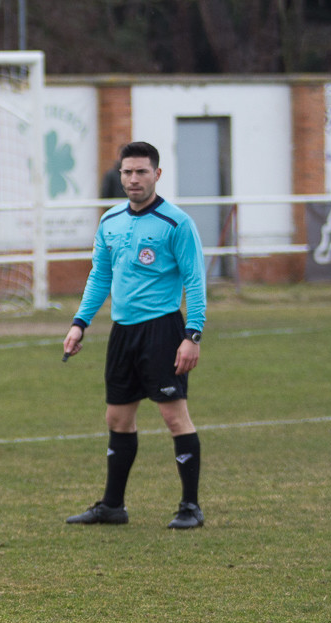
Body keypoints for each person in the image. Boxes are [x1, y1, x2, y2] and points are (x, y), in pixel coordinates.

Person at [63, 141, 207, 530]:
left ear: (157, 175)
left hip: (163, 330)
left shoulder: (176, 223)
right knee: (118, 417)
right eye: (127, 172)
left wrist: (192, 334)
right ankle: (113, 506)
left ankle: (190, 506)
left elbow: (195, 281)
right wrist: (80, 322)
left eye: (141, 172)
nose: (133, 179)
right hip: (122, 332)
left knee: (174, 417)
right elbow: (100, 276)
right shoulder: (110, 221)